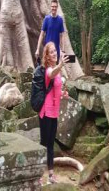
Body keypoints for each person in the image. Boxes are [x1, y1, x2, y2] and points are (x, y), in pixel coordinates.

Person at [38, 42, 68, 184]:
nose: (54, 53)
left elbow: (55, 89)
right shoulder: (48, 70)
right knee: (43, 143)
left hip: (54, 112)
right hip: (46, 112)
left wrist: (62, 93)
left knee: (50, 144)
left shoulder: (58, 70)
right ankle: (37, 175)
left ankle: (50, 175)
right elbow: (51, 74)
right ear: (47, 56)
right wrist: (61, 65)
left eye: (55, 51)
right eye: (51, 52)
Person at [35, 0, 65, 66]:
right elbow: (41, 35)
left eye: (55, 6)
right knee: (47, 70)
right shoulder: (46, 19)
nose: (54, 8)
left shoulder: (60, 20)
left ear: (57, 7)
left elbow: (62, 36)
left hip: (56, 51)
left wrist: (62, 51)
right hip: (47, 51)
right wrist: (37, 49)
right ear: (50, 7)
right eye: (52, 6)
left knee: (55, 70)